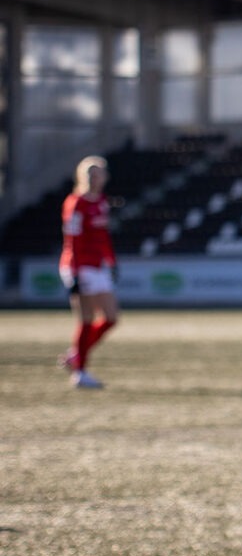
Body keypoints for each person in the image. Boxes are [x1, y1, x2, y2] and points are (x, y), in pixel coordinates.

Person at [58, 155, 118, 389]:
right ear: (84, 177)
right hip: (78, 265)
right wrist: (73, 272)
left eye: (99, 174)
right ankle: (80, 372)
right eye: (91, 174)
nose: (96, 178)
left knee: (111, 317)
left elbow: (103, 236)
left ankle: (75, 356)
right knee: (86, 319)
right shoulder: (76, 202)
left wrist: (111, 262)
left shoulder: (101, 201)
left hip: (97, 266)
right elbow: (71, 240)